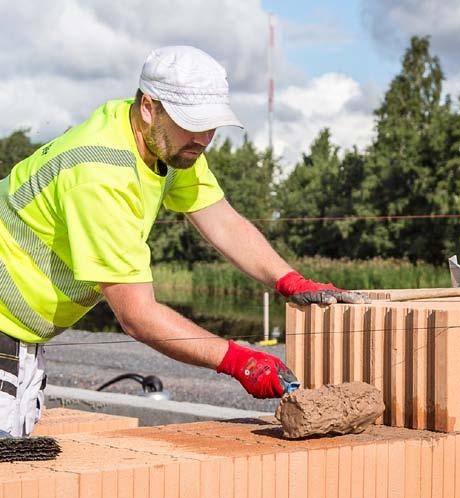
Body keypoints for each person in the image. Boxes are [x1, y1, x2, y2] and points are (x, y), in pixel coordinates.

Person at [0, 46, 366, 437]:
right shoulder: (100, 173)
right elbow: (138, 315)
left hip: (18, 334)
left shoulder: (168, 145)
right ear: (148, 107)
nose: (204, 138)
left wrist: (288, 280)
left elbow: (222, 221)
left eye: (211, 125)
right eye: (193, 124)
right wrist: (236, 360)